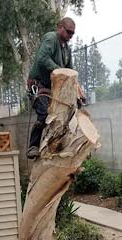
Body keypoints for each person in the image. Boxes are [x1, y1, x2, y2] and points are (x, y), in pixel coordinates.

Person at [26, 17, 76, 160]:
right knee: (43, 115)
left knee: (61, 118)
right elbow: (42, 58)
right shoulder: (50, 38)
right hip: (39, 86)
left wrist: (77, 92)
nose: (70, 36)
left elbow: (70, 72)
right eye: (68, 32)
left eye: (73, 34)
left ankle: (55, 147)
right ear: (60, 27)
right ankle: (33, 146)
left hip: (54, 90)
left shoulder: (67, 49)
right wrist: (59, 70)